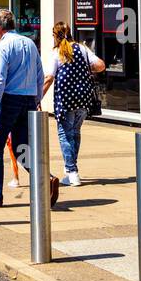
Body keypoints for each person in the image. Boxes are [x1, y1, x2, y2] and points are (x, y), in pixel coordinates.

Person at [0, 6, 59, 210]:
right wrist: (36, 98)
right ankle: (46, 179)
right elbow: (39, 74)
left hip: (8, 100)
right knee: (22, 147)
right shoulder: (29, 43)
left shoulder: (3, 47)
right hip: (28, 100)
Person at [41, 22, 105, 187]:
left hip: (65, 100)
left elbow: (49, 78)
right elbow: (101, 65)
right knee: (75, 133)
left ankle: (72, 172)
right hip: (84, 98)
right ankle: (71, 170)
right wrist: (84, 68)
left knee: (64, 134)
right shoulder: (82, 49)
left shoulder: (57, 53)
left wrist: (37, 97)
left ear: (56, 35)